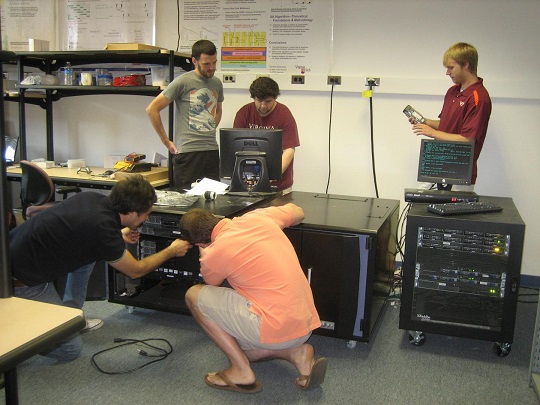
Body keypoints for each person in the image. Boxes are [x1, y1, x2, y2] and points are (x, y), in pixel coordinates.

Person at [10, 175, 192, 362]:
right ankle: (15, 334)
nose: (147, 218)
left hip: (11, 253)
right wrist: (171, 250)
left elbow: (84, 229)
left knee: (89, 257)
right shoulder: (102, 230)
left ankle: (73, 316)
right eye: (146, 214)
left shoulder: (92, 198)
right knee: (70, 350)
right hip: (24, 281)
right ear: (131, 213)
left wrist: (117, 235)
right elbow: (135, 270)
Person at [181, 204, 327, 394]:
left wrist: (205, 251)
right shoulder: (258, 217)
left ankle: (241, 371)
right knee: (242, 347)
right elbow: (299, 211)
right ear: (213, 218)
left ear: (200, 243)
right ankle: (295, 352)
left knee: (194, 296)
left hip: (275, 326)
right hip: (304, 323)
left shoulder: (214, 252)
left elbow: (210, 282)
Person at [410, 42, 491, 191]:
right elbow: (446, 126)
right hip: (436, 167)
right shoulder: (452, 91)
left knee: (451, 213)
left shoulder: (478, 98)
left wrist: (432, 133)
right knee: (417, 206)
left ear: (466, 65)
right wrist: (425, 122)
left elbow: (468, 139)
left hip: (458, 174)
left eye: (451, 67)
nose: (447, 72)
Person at [146, 39, 224, 190]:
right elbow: (152, 109)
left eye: (214, 63)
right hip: (188, 153)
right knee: (187, 205)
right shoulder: (183, 81)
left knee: (212, 203)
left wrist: (211, 127)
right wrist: (166, 141)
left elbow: (218, 110)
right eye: (206, 64)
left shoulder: (216, 83)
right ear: (194, 61)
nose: (212, 68)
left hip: (211, 151)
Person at [233, 77, 300, 193]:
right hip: (247, 182)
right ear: (253, 98)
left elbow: (289, 150)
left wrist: (272, 174)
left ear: (275, 98)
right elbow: (236, 148)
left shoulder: (284, 114)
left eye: (268, 101)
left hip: (279, 186)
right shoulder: (244, 113)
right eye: (259, 100)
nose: (263, 106)